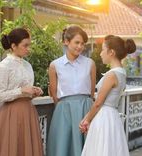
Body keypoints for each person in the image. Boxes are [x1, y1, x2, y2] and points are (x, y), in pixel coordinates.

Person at [80, 35, 136, 156]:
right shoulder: (122, 73)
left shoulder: (112, 75)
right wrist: (87, 117)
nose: (100, 53)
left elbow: (99, 102)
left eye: (103, 49)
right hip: (112, 117)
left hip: (104, 117)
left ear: (111, 52)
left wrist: (87, 120)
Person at [0, 28, 44, 156]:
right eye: (25, 45)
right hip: (10, 114)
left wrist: (33, 91)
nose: (28, 49)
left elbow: (26, 89)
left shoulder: (27, 65)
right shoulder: (4, 66)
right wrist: (21, 90)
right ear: (13, 46)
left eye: (29, 45)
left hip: (28, 112)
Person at [47, 25, 96, 156]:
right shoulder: (54, 65)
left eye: (83, 44)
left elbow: (91, 92)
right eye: (77, 42)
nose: (80, 46)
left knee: (87, 147)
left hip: (86, 109)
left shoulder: (90, 63)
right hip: (63, 111)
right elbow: (54, 94)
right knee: (63, 147)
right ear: (66, 42)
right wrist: (65, 107)